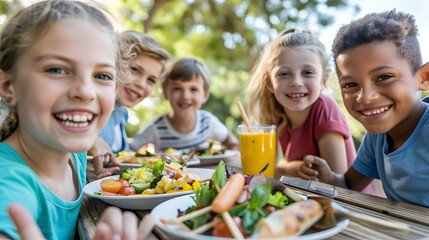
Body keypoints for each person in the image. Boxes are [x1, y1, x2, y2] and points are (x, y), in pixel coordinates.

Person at [0, 0, 152, 239]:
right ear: (8, 86)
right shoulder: (8, 184)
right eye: (57, 70)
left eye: (101, 75)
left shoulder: (74, 155)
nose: (86, 91)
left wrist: (96, 145)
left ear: (114, 89)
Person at [300, 10, 429, 207]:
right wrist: (328, 176)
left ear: (423, 78)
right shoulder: (377, 136)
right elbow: (348, 185)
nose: (366, 97)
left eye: (384, 77)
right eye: (350, 85)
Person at [247, 29, 358, 181]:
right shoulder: (276, 114)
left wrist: (287, 168)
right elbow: (267, 169)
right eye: (284, 74)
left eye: (308, 72)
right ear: (270, 83)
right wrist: (291, 168)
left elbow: (335, 183)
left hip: (349, 203)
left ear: (323, 81)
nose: (296, 83)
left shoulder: (325, 109)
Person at [89, 31, 169, 179]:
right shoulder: (89, 104)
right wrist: (90, 139)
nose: (141, 84)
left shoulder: (121, 112)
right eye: (134, 69)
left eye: (151, 80)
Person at [130, 58, 239, 152]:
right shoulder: (156, 128)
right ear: (165, 92)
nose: (185, 96)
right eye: (177, 88)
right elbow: (128, 151)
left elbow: (233, 144)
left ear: (205, 95)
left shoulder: (207, 122)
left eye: (193, 89)